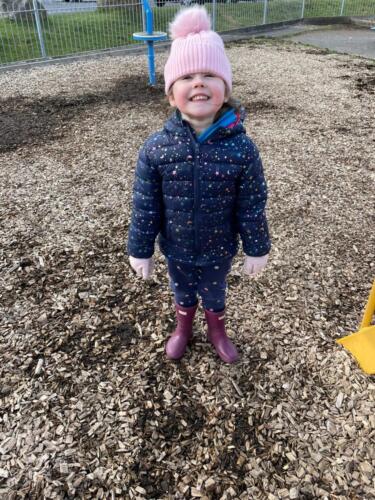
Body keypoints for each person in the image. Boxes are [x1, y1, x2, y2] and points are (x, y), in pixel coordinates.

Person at [127, 6, 271, 364]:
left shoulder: (241, 147)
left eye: (209, 74)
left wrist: (257, 247)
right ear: (170, 93)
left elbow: (251, 204)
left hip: (219, 247)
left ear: (225, 87)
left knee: (215, 290)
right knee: (182, 289)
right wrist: (140, 249)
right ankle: (183, 326)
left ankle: (217, 329)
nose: (198, 82)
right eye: (187, 76)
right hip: (176, 246)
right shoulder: (157, 148)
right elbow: (146, 205)